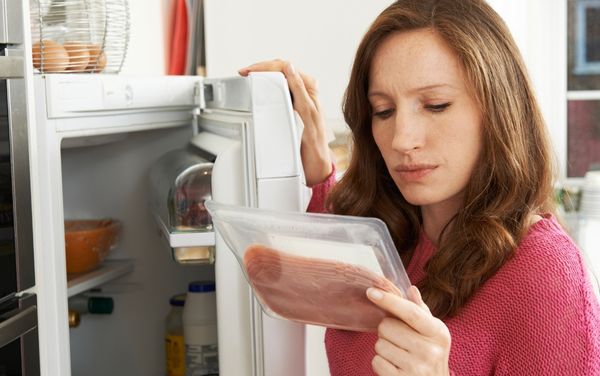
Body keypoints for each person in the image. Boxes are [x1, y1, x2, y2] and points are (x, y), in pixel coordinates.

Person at [239, 0, 600, 374]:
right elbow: (315, 271)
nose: (401, 140)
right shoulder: (389, 234)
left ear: (497, 110)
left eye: (435, 105)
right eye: (383, 111)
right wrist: (314, 158)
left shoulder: (546, 276)